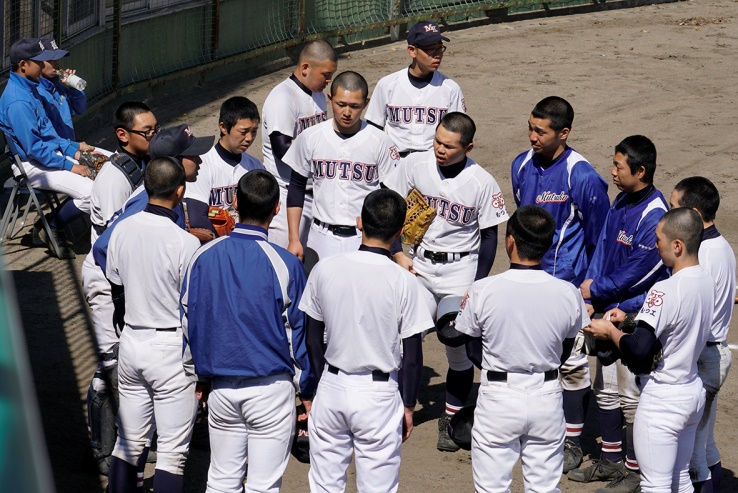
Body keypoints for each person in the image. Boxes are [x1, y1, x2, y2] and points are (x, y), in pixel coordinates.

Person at [181, 169, 315, 492]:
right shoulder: (286, 264)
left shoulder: (202, 255)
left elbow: (189, 322)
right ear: (277, 208)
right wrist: (306, 391)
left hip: (222, 389)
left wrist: (198, 377)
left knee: (222, 480)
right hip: (271, 390)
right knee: (263, 486)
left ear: (235, 203)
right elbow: (297, 335)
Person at [381, 112, 509, 452]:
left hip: (460, 272)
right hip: (419, 265)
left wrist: (476, 285)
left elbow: (489, 237)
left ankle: (451, 418)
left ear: (467, 147)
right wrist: (397, 251)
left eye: (449, 146)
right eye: (437, 141)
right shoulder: (415, 165)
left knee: (456, 342)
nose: (439, 149)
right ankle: (395, 408)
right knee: (399, 335)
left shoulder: (481, 182)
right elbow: (389, 206)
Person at [300, 188, 433, 492]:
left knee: (324, 486)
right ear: (399, 232)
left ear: (359, 222)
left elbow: (311, 339)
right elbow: (412, 356)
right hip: (379, 395)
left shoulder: (324, 269)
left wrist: (324, 385)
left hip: (332, 386)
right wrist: (409, 406)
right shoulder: (404, 281)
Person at [456, 205, 588, 493]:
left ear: (510, 241)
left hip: (498, 397)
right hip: (547, 396)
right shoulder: (568, 292)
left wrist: (502, 363)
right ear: (549, 244)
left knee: (492, 488)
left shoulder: (483, 290)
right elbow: (566, 349)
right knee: (544, 488)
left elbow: (471, 349)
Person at [511, 96, 610, 472]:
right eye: (530, 128)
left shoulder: (581, 176)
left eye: (541, 131)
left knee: (571, 367)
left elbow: (599, 237)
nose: (532, 136)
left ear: (563, 133)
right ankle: (537, 430)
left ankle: (571, 441)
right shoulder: (521, 164)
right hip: (526, 283)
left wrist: (590, 289)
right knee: (531, 358)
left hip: (566, 288)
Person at [585, 208, 712, 493]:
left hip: (663, 401)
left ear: (677, 245)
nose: (655, 245)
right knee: (680, 479)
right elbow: (676, 323)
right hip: (691, 391)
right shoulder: (706, 280)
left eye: (659, 240)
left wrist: (611, 332)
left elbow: (638, 351)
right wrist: (631, 320)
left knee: (654, 485)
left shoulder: (664, 289)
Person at [570, 135, 668, 493]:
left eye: (619, 166)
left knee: (631, 396)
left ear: (640, 171)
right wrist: (592, 287)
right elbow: (603, 250)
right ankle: (610, 461)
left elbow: (640, 273)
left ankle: (635, 469)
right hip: (607, 307)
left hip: (632, 315)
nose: (612, 171)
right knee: (606, 390)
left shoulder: (655, 214)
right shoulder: (622, 200)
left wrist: (603, 296)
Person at [106, 157, 201, 493]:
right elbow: (195, 307)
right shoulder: (185, 243)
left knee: (127, 443)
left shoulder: (121, 228)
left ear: (145, 187)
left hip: (132, 341)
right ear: (180, 191)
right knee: (172, 455)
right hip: (170, 350)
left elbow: (115, 286)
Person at [81, 101, 161, 475]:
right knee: (110, 364)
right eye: (147, 131)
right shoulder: (113, 179)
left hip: (124, 279)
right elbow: (112, 245)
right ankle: (102, 445)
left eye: (154, 129)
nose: (153, 136)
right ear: (123, 135)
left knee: (127, 361)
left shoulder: (142, 164)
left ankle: (132, 440)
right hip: (105, 278)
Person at [283, 71, 400, 261]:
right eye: (341, 104)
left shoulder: (380, 141)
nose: (347, 112)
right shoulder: (311, 137)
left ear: (366, 103)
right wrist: (294, 238)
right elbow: (296, 187)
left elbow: (391, 197)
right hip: (320, 236)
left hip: (364, 238)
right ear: (330, 99)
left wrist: (395, 248)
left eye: (354, 106)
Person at [0, 38, 97, 258]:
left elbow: (50, 137)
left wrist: (73, 150)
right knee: (91, 193)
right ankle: (51, 225)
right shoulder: (18, 101)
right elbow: (34, 149)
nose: (45, 65)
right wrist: (70, 165)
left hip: (47, 156)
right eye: (39, 61)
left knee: (101, 173)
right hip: (31, 165)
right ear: (24, 64)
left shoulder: (30, 89)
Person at [670, 177, 735, 493]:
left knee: (692, 456)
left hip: (702, 358)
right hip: (714, 353)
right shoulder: (721, 246)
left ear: (693, 213)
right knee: (705, 444)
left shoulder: (704, 254)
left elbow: (690, 310)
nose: (669, 217)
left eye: (673, 208)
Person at [262, 40, 338, 248]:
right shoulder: (282, 97)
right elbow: (282, 149)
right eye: (325, 74)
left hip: (314, 192)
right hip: (286, 195)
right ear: (305, 68)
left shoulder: (318, 96)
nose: (329, 80)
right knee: (285, 262)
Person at [365, 20, 466, 157]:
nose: (437, 54)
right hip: (395, 161)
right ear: (412, 51)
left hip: (433, 161)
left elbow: (459, 132)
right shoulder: (387, 84)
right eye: (430, 49)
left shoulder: (450, 88)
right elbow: (373, 129)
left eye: (440, 48)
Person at [183, 96, 264, 236]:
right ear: (223, 127)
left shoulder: (255, 166)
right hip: (214, 246)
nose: (250, 138)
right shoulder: (201, 165)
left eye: (254, 131)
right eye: (243, 132)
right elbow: (197, 219)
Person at [35, 38, 87, 141]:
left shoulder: (58, 87)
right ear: (39, 63)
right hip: (55, 151)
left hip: (69, 146)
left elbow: (80, 109)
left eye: (57, 59)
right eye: (51, 60)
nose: (56, 63)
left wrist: (74, 89)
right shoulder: (37, 92)